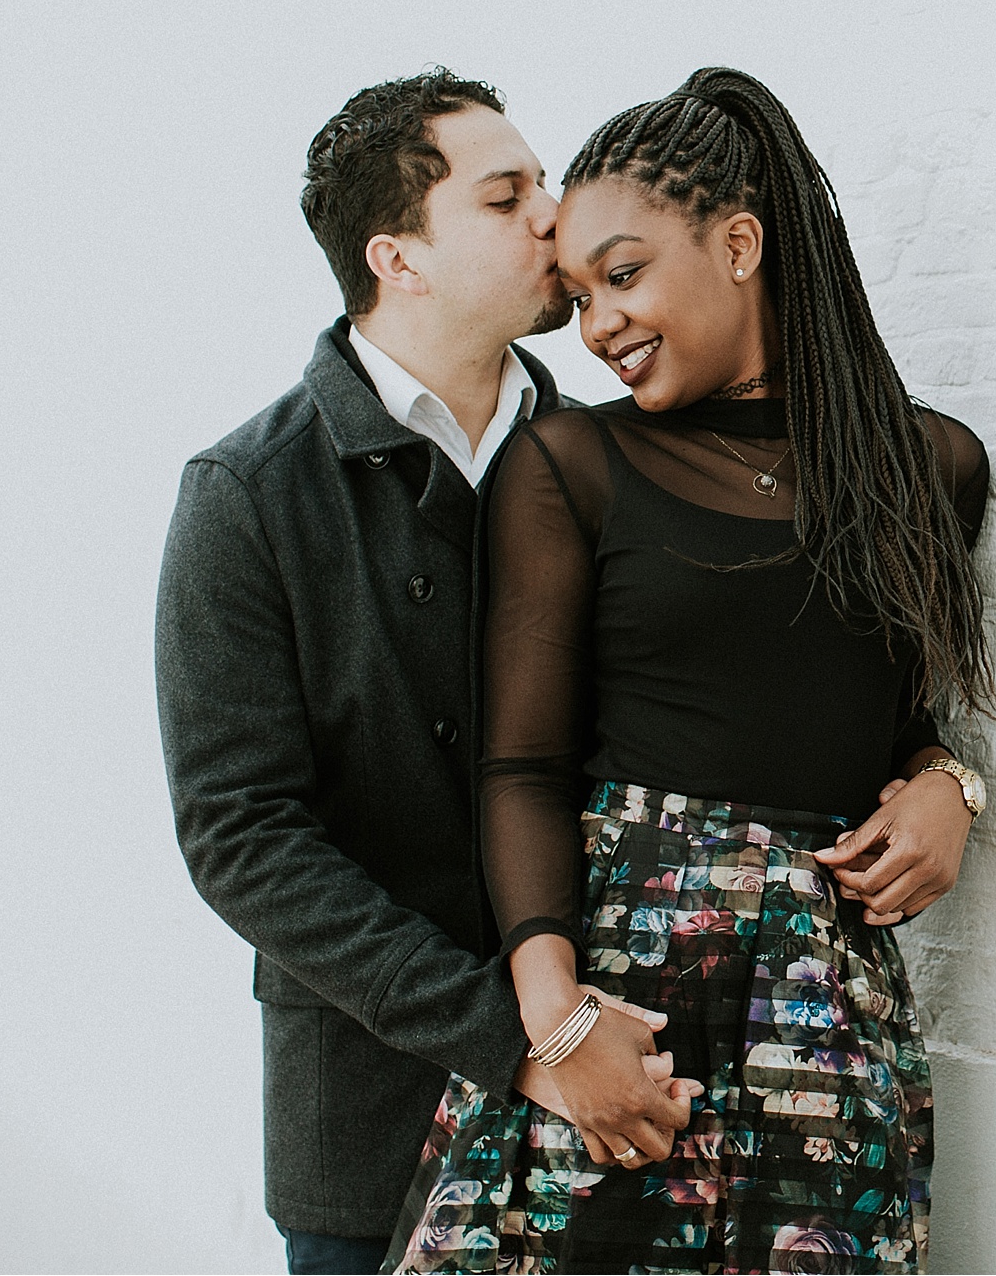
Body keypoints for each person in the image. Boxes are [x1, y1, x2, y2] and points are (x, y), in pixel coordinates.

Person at [383, 67, 996, 1274]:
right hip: (625, 1014)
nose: (599, 323)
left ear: (737, 242)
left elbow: (891, 724)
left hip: (819, 1013)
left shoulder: (932, 468)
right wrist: (556, 1023)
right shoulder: (570, 464)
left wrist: (950, 786)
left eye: (622, 274)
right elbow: (521, 765)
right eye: (577, 296)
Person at [156, 68, 694, 1275]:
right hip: (370, 1117)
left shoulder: (620, 457)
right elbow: (241, 837)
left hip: (631, 1089)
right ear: (397, 257)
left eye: (544, 183)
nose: (555, 216)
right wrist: (516, 1038)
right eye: (508, 196)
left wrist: (938, 767)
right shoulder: (246, 495)